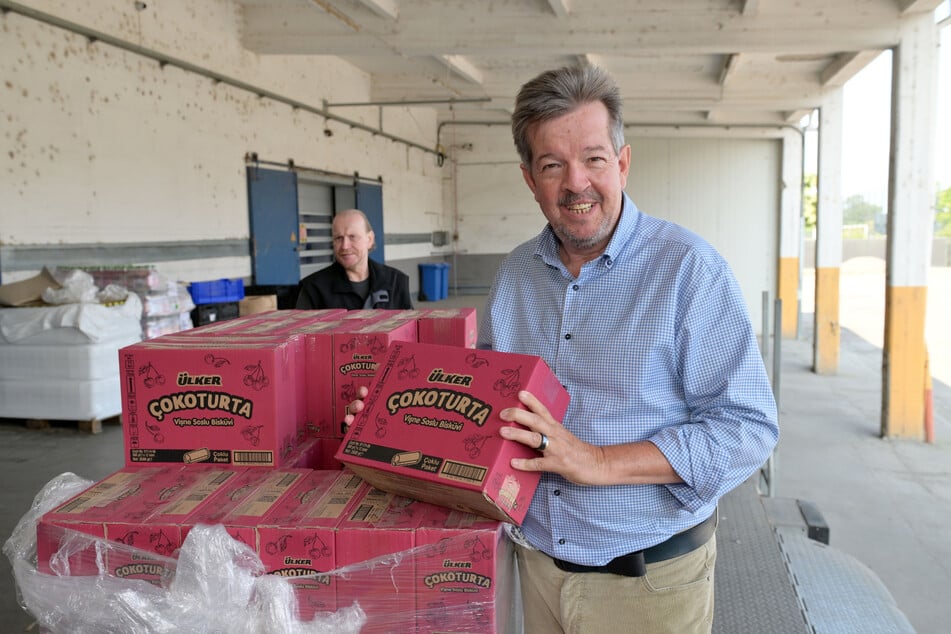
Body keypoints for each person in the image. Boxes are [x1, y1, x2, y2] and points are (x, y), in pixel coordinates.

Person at [345, 65, 778, 633]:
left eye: (594, 159)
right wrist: (396, 424)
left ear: (622, 162)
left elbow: (748, 428)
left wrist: (598, 461)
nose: (576, 183)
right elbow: (494, 412)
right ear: (530, 178)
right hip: (538, 571)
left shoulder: (688, 271)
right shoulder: (518, 274)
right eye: (553, 165)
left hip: (646, 585)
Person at [295, 208, 413, 310]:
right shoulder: (314, 289)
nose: (345, 246)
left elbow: (410, 331)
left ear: (370, 239)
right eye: (338, 238)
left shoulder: (395, 281)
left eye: (352, 237)